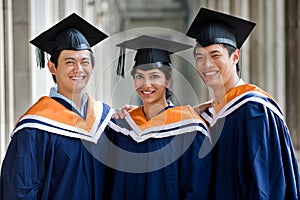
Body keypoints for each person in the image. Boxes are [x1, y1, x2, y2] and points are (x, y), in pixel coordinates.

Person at [186, 7, 300, 199]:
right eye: (199, 58)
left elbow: (264, 185)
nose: (206, 65)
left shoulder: (255, 110)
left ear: (235, 56)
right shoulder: (205, 116)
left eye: (215, 55)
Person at [0, 13, 114, 199]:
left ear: (92, 67)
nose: (78, 69)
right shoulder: (34, 128)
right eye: (69, 62)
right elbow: (18, 190)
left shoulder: (105, 122)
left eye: (84, 62)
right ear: (52, 67)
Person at [105, 35, 212, 200]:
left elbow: (198, 188)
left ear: (168, 80)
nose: (146, 84)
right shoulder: (121, 128)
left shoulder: (189, 129)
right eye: (139, 76)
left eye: (155, 76)